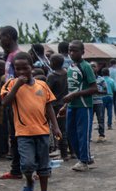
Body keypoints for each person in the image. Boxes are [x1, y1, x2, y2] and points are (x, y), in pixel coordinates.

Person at [0, 53, 61, 191]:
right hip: (23, 133)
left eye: (25, 68)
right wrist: (17, 86)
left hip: (42, 131)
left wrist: (55, 126)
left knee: (44, 165)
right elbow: (5, 102)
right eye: (17, 69)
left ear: (31, 67)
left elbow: (49, 107)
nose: (21, 72)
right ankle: (29, 182)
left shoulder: (42, 85)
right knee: (27, 165)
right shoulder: (10, 84)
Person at [59, 40, 98, 171]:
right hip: (72, 106)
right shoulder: (70, 67)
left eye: (75, 50)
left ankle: (84, 161)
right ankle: (84, 156)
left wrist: (75, 95)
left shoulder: (86, 66)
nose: (71, 53)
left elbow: (94, 88)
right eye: (70, 50)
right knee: (71, 133)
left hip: (84, 105)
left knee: (83, 133)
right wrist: (65, 106)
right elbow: (71, 89)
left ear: (82, 52)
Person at [0, 26, 23, 180]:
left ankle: (20, 169)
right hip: (10, 101)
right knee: (13, 136)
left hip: (17, 102)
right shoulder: (10, 56)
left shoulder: (17, 56)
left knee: (18, 136)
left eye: (0, 37)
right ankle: (16, 169)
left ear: (8, 37)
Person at [46, 52, 70, 161]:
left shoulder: (52, 76)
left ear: (54, 63)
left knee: (58, 130)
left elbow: (47, 91)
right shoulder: (67, 73)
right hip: (66, 103)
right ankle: (71, 151)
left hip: (56, 106)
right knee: (66, 129)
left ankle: (63, 153)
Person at [93, 66, 111, 141]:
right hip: (88, 102)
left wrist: (97, 92)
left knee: (100, 119)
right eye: (91, 67)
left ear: (97, 68)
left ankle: (101, 135)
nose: (92, 68)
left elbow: (106, 91)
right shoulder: (86, 79)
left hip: (98, 102)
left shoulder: (101, 79)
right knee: (89, 120)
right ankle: (88, 136)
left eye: (94, 66)